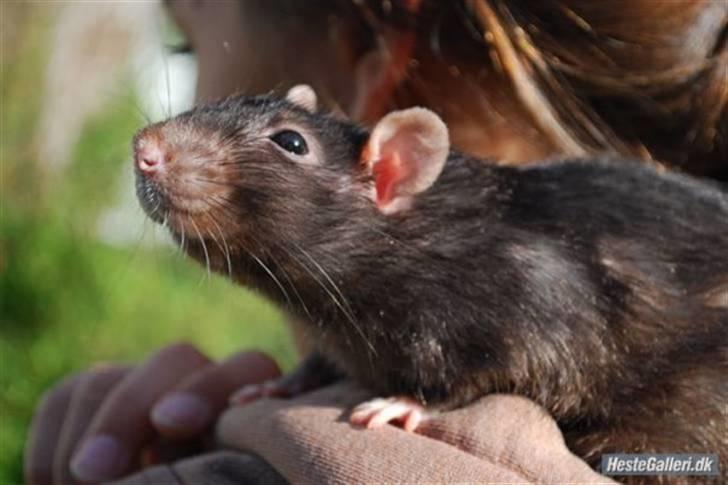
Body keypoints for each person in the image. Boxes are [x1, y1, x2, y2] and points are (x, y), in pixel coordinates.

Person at [25, 1, 726, 483]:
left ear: (393, 169)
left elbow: (533, 319)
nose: (156, 141)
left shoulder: (508, 263)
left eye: (187, 43)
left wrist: (432, 403)